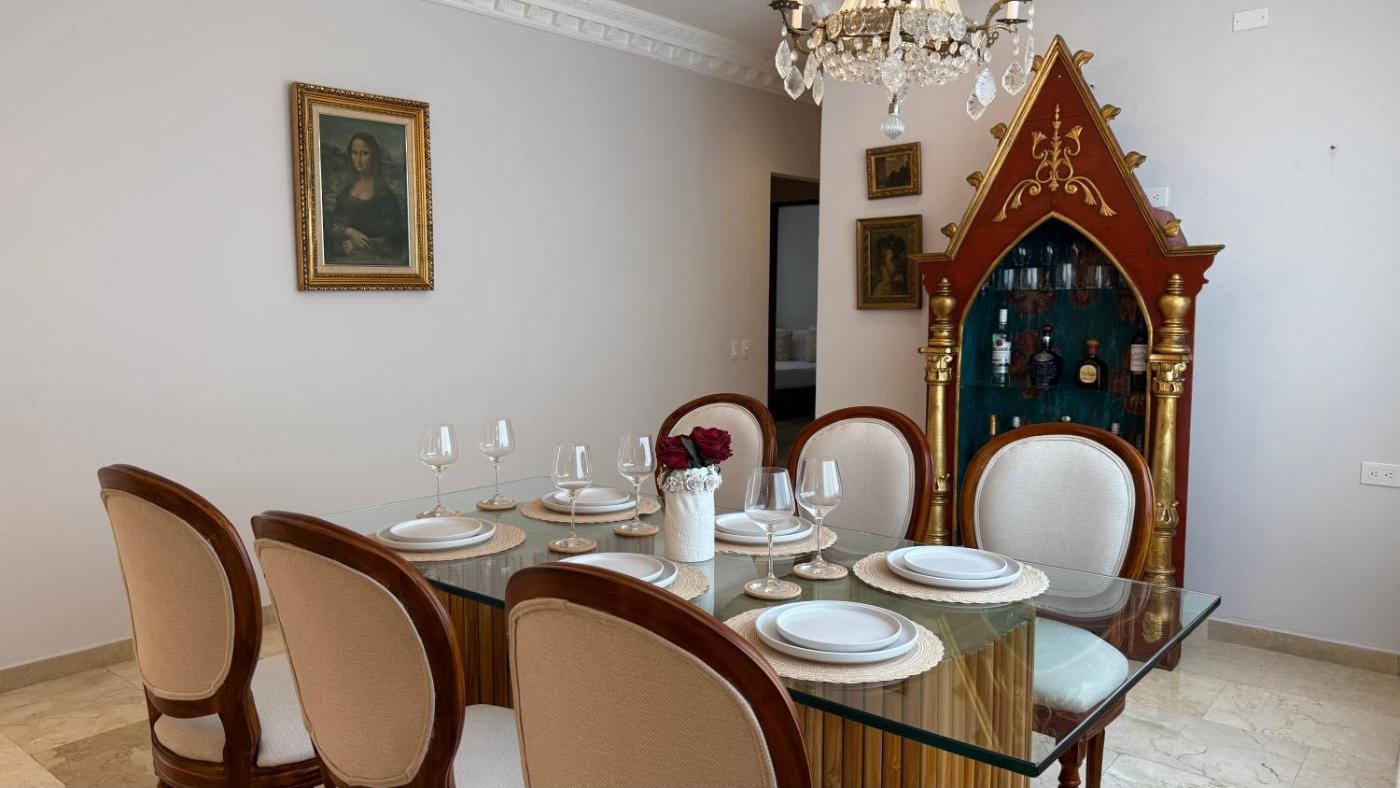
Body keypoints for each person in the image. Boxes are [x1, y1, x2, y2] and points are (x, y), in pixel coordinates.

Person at [324, 132, 406, 264]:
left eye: (364, 154)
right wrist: (350, 232)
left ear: (374, 156)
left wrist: (358, 243)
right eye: (354, 153)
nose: (358, 160)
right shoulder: (345, 193)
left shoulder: (385, 197)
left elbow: (395, 243)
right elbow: (334, 226)